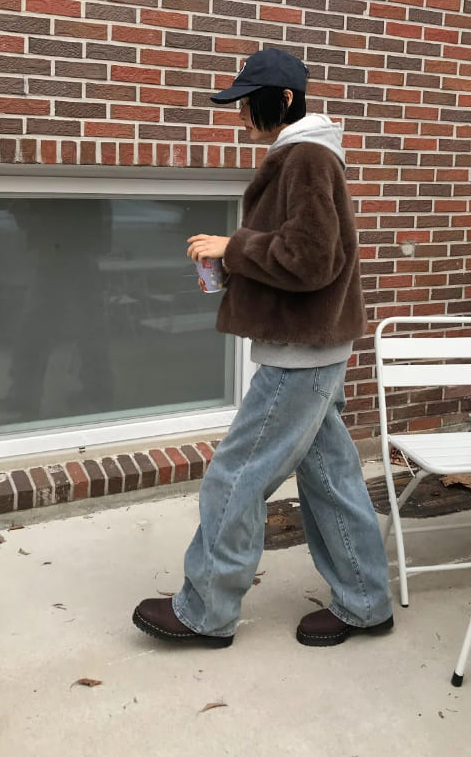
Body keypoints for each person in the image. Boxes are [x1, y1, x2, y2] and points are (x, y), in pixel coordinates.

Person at [133, 48, 393, 648]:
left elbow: (311, 258)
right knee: (330, 479)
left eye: (248, 102)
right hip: (314, 347)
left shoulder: (306, 157)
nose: (240, 114)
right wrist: (233, 257)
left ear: (283, 99)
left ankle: (205, 612)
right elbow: (304, 252)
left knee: (234, 477)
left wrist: (234, 247)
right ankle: (366, 602)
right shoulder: (305, 154)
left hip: (299, 354)